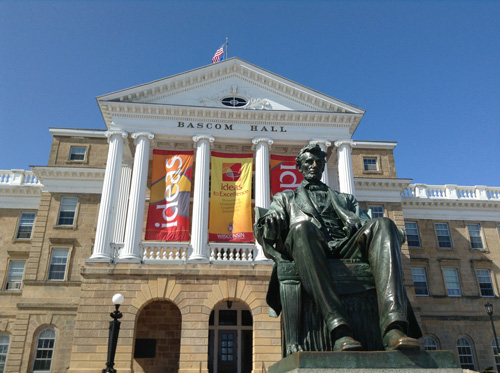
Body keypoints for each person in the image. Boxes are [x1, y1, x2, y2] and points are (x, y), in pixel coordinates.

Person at [254, 144, 421, 352]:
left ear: (324, 166)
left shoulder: (345, 199)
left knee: (384, 224)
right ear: (300, 167)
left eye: (318, 162)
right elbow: (266, 228)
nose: (314, 166)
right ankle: (339, 328)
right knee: (302, 229)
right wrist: (271, 221)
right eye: (308, 162)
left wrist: (390, 233)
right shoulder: (285, 198)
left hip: (345, 245)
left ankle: (393, 328)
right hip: (310, 246)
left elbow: (364, 225)